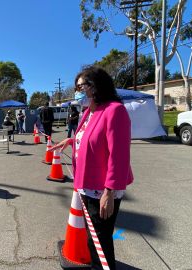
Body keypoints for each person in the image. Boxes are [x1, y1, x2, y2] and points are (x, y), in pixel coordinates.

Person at [50, 66, 133, 270]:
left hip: (103, 188)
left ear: (96, 86)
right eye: (76, 87)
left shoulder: (114, 110)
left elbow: (119, 155)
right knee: (92, 237)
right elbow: (91, 138)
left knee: (101, 242)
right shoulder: (88, 112)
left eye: (81, 86)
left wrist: (109, 192)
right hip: (85, 183)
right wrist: (71, 140)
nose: (77, 91)